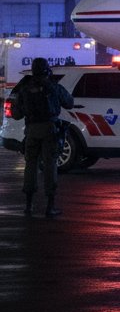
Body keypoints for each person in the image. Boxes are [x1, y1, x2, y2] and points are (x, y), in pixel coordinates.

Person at [11, 57, 74, 217]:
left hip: (31, 130)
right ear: (47, 70)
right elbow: (69, 103)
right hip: (50, 130)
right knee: (50, 165)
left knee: (30, 165)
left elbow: (16, 114)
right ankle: (50, 206)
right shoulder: (53, 87)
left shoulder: (25, 89)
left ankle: (29, 205)